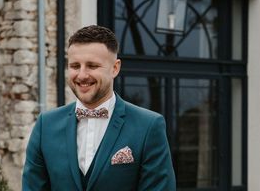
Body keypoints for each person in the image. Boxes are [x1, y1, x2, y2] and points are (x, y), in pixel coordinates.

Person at [23, 25, 176, 190]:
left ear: (115, 68)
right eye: (75, 66)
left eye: (92, 66)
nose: (82, 75)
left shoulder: (148, 126)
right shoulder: (46, 125)